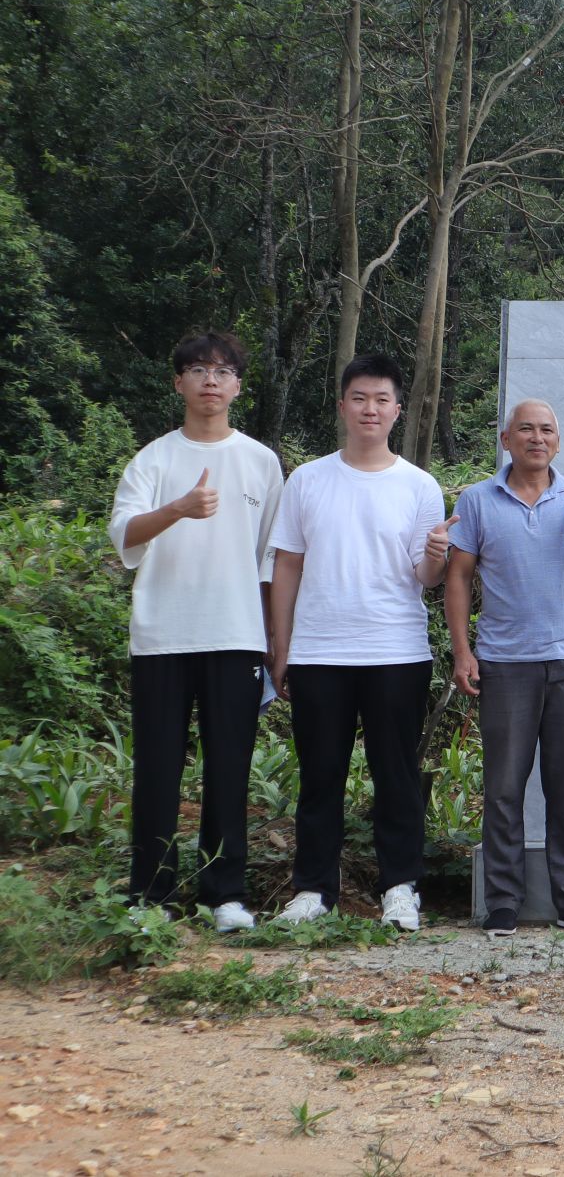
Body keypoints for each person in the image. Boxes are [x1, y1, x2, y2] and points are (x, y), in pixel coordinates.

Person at [267, 355, 453, 931]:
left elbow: (425, 578)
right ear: (343, 405)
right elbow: (287, 565)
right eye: (359, 398)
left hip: (396, 651)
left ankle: (400, 888)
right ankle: (313, 890)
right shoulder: (308, 479)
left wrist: (437, 557)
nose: (370, 409)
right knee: (320, 774)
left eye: (381, 399)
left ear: (398, 410)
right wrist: (280, 646)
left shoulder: (419, 485)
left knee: (395, 775)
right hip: (319, 651)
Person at [107, 332, 284, 932]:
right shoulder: (153, 459)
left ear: (238, 386)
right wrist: (178, 508)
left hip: (236, 635)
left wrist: (272, 641)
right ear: (178, 381)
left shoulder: (260, 461)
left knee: (229, 769)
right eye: (199, 369)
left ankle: (224, 894)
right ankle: (150, 895)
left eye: (223, 371)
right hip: (162, 635)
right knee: (157, 770)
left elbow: (270, 561)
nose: (211, 380)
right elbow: (124, 537)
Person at [445, 400, 564, 937]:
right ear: (506, 439)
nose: (536, 438)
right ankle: (502, 901)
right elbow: (457, 577)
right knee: (502, 789)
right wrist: (462, 651)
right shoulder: (477, 499)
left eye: (546, 430)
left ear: (557, 443)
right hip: (504, 663)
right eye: (526, 429)